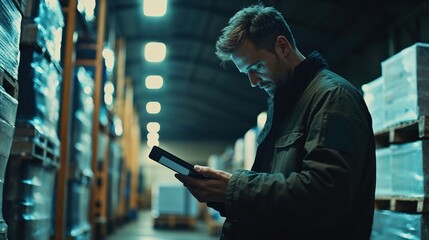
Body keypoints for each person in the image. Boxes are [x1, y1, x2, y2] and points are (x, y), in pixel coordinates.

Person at [175, 4, 376, 240]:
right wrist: (221, 195)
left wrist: (235, 188)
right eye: (246, 73)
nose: (252, 82)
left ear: (282, 47)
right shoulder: (282, 105)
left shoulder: (332, 98)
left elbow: (325, 198)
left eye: (257, 67)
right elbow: (277, 195)